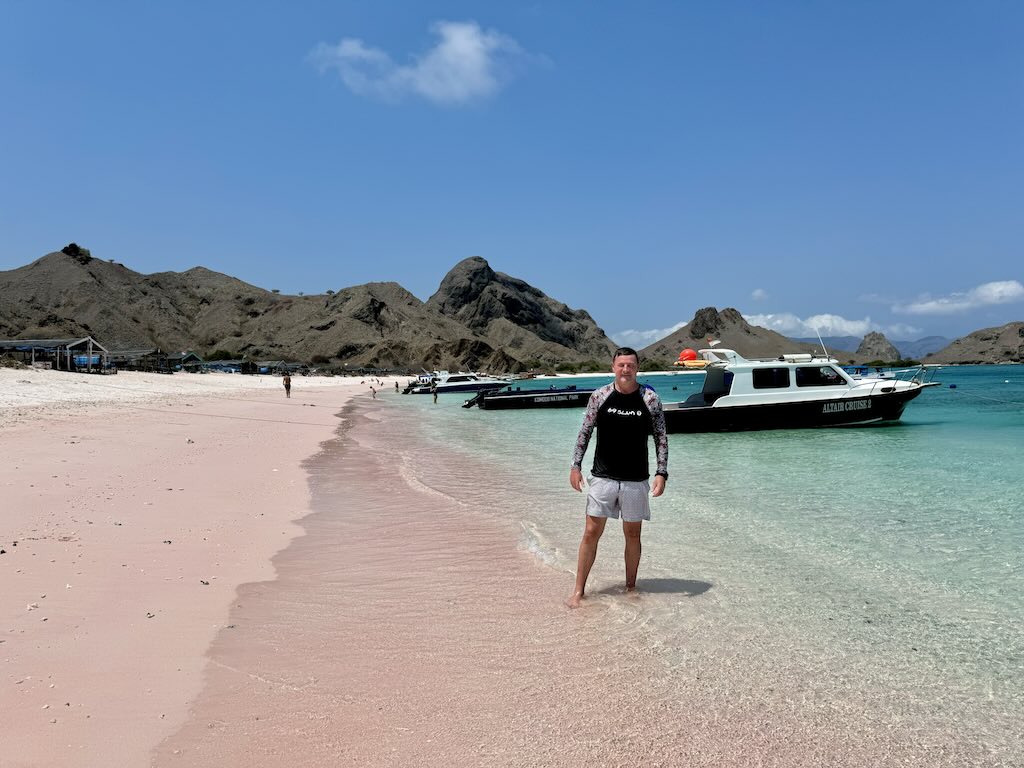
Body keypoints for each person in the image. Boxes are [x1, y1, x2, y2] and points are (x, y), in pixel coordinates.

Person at [567, 347, 668, 608]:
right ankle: (578, 591)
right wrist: (575, 465)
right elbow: (585, 432)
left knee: (633, 534)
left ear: (637, 368)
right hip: (603, 477)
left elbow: (661, 438)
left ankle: (631, 587)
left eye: (630, 365)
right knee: (591, 532)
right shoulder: (600, 396)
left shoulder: (650, 398)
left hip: (636, 479)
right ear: (613, 366)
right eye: (621, 365)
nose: (626, 370)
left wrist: (661, 472)